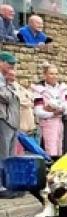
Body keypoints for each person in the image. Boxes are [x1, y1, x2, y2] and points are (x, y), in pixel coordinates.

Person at [32, 61, 67, 157]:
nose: (54, 76)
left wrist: (55, 108)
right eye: (51, 74)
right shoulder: (39, 89)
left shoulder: (63, 88)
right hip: (48, 126)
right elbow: (38, 111)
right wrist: (53, 114)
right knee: (51, 153)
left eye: (56, 74)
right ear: (45, 75)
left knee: (66, 150)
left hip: (64, 124)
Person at [0, 50, 20, 198]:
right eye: (9, 64)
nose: (12, 67)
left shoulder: (6, 80)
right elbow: (5, 97)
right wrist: (8, 87)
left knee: (10, 156)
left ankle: (9, 184)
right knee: (3, 155)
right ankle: (1, 187)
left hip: (12, 121)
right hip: (3, 120)